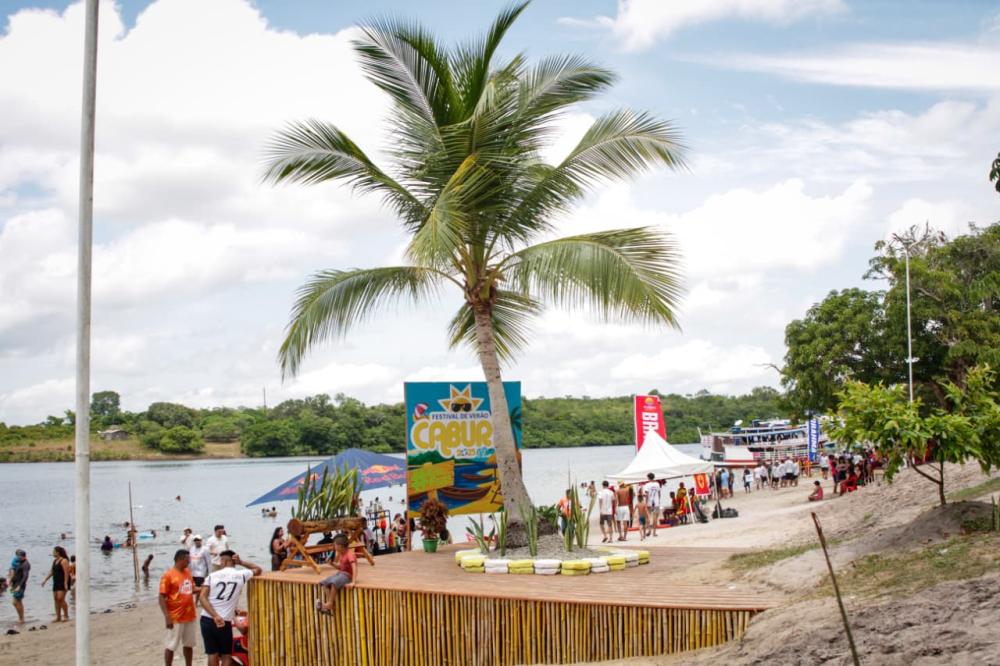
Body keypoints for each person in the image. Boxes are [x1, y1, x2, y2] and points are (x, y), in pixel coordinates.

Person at [199, 551, 262, 666]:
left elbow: (202, 598)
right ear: (233, 561)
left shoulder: (211, 576)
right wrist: (241, 562)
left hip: (207, 619)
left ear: (224, 561)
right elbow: (258, 569)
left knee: (212, 654)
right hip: (224, 621)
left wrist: (215, 616)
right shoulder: (241, 575)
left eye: (220, 561)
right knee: (226, 655)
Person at [160, 549, 197, 666]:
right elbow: (161, 597)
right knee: (171, 645)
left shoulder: (188, 573)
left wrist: (206, 587)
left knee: (189, 644)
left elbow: (193, 589)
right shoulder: (168, 575)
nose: (189, 561)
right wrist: (167, 617)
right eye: (187, 559)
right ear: (180, 559)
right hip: (175, 617)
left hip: (190, 615)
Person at [317, 535, 357, 614]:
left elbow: (354, 568)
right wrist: (331, 563)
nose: (334, 547)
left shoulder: (350, 554)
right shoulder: (341, 554)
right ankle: (330, 603)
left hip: (347, 575)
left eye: (335, 545)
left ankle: (329, 604)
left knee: (334, 583)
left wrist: (353, 582)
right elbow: (340, 567)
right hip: (341, 573)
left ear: (340, 546)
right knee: (323, 583)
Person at [40, 546, 70, 622]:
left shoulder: (64, 561)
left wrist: (66, 583)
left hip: (63, 581)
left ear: (58, 552)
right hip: (56, 581)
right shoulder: (55, 561)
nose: (53, 553)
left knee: (61, 598)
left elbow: (66, 573)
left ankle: (66, 615)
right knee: (56, 599)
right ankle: (58, 616)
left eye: (54, 551)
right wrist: (45, 580)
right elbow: (52, 571)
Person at [9, 549, 30, 623]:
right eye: (17, 556)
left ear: (24, 557)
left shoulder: (25, 564)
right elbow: (14, 571)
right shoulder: (19, 562)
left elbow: (25, 576)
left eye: (19, 557)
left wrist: (19, 586)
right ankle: (21, 618)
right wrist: (11, 581)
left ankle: (21, 618)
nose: (18, 558)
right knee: (17, 601)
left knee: (16, 601)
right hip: (16, 583)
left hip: (20, 584)